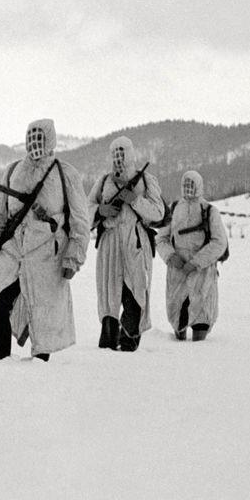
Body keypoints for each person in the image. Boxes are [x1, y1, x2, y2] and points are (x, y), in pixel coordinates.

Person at [0, 119, 90, 360]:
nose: (34, 143)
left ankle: (41, 368)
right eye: (31, 137)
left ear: (50, 140)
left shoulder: (65, 173)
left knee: (43, 313)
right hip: (13, 250)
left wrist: (73, 258)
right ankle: (2, 361)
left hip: (47, 254)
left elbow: (81, 221)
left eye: (40, 137)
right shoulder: (12, 171)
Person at [90, 136, 163, 352]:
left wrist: (134, 200)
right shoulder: (103, 181)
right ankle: (109, 341)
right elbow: (85, 211)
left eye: (122, 152)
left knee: (136, 289)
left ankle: (130, 337)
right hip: (110, 243)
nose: (119, 157)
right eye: (115, 153)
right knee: (110, 292)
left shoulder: (146, 180)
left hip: (136, 242)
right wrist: (100, 211)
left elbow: (158, 212)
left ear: (130, 154)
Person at [155, 170, 228, 341]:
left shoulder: (210, 211)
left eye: (192, 184)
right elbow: (161, 238)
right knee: (178, 315)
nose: (188, 188)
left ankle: (198, 357)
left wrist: (196, 263)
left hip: (202, 274)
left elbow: (219, 242)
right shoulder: (174, 209)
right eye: (186, 184)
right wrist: (171, 257)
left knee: (202, 314)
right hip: (177, 273)